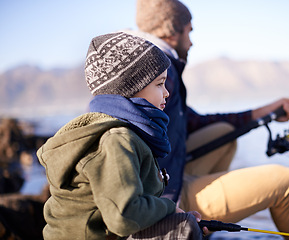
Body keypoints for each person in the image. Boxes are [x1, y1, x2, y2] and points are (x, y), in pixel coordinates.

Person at [123, 0, 289, 239]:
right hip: (168, 199)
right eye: (189, 31)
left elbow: (192, 122)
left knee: (223, 133)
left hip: (164, 180)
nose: (192, 42)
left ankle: (202, 232)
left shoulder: (140, 67)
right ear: (171, 30)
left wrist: (264, 111)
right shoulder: (160, 70)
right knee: (286, 182)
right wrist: (170, 213)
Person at [37, 32, 204, 239]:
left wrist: (175, 215)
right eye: (159, 84)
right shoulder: (116, 139)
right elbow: (123, 215)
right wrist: (170, 209)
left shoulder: (127, 132)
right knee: (185, 230)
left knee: (185, 225)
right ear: (131, 88)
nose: (166, 93)